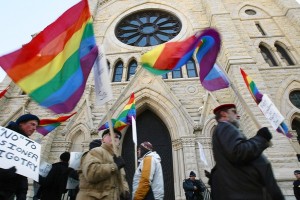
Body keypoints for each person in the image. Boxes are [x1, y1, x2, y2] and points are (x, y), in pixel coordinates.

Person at [211, 104, 284, 200]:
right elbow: (237, 152)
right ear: (224, 114)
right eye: (234, 112)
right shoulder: (225, 127)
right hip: (246, 193)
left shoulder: (224, 129)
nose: (238, 115)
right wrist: (261, 139)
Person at [76, 129, 130, 200]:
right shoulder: (96, 151)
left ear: (119, 142)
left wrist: (125, 191)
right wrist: (114, 166)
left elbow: (122, 179)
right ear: (102, 140)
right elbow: (91, 173)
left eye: (117, 136)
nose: (114, 137)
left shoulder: (116, 158)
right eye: (110, 135)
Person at [0, 113, 40, 200]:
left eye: (36, 126)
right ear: (21, 124)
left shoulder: (27, 145)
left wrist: (22, 195)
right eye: (32, 124)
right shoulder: (3, 136)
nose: (34, 128)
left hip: (9, 193)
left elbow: (22, 174)